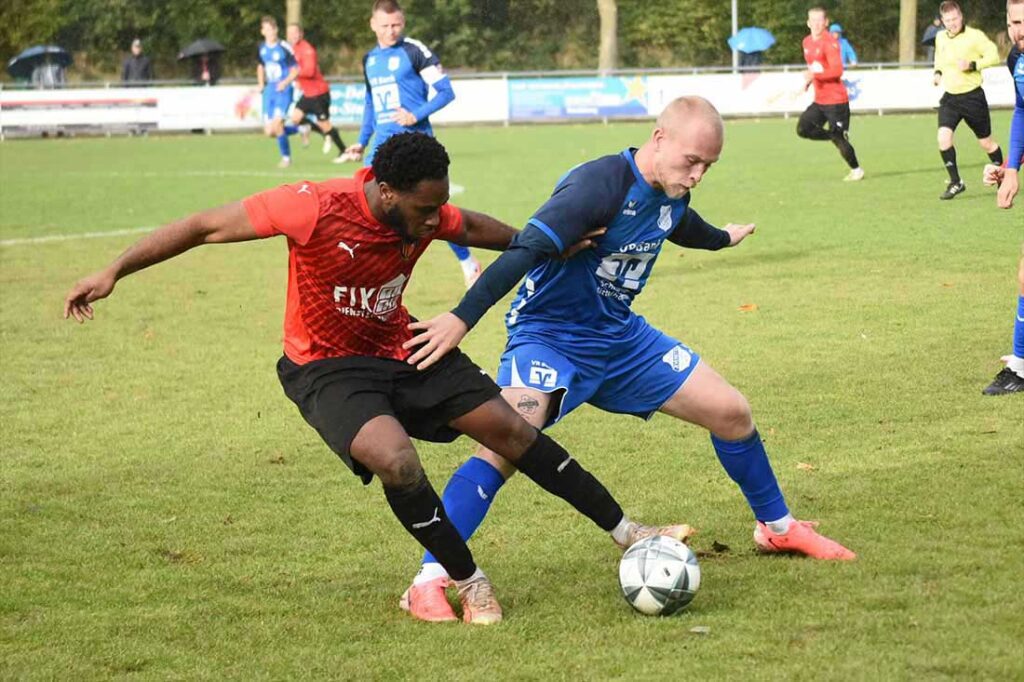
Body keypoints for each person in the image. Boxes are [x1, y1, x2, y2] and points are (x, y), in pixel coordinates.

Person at [62, 132, 689, 625]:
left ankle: (627, 532)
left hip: (401, 344)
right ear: (384, 191)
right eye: (422, 209)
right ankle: (466, 581)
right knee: (397, 461)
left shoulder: (429, 213)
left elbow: (472, 228)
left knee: (512, 428)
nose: (433, 220)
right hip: (326, 368)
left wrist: (551, 243)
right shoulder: (310, 207)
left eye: (437, 204)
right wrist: (114, 270)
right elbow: (201, 227)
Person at [397, 97, 856, 622]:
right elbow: (524, 249)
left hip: (621, 341)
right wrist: (461, 318)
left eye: (709, 166)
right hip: (549, 339)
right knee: (505, 441)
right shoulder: (596, 186)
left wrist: (724, 239)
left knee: (732, 412)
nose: (699, 175)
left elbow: (683, 225)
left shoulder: (671, 191)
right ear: (659, 139)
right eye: (692, 161)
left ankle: (777, 529)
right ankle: (429, 579)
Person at [345, 0, 482, 288]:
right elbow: (371, 103)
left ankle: (468, 262)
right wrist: (360, 141)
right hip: (381, 147)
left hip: (415, 146)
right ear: (373, 25)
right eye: (384, 26)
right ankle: (372, 272)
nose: (390, 31)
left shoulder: (414, 51)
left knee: (430, 212)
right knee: (367, 205)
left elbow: (446, 92)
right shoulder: (370, 59)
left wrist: (414, 114)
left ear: (403, 22)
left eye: (395, 25)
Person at [981, 0, 1024, 395]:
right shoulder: (1017, 59)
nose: (1019, 31)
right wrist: (1011, 167)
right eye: (1014, 23)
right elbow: (1022, 110)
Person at [932, 1, 1002, 200]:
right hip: (950, 99)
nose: (952, 23)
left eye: (955, 19)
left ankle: (1002, 176)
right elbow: (939, 58)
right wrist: (937, 73)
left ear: (961, 17)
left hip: (973, 97)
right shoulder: (940, 37)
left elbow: (994, 56)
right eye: (948, 20)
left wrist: (973, 64)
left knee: (987, 143)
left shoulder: (975, 36)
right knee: (943, 139)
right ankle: (956, 182)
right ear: (942, 21)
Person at [797, 7, 864, 182]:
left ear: (826, 22)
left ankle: (856, 170)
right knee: (803, 129)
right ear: (808, 22)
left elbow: (837, 70)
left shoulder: (830, 42)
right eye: (813, 20)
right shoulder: (807, 42)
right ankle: (834, 136)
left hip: (836, 101)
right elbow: (816, 67)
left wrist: (814, 76)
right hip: (820, 101)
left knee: (839, 139)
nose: (816, 24)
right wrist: (809, 81)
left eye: (820, 20)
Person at [284, 23, 353, 163]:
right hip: (308, 93)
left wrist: (294, 74)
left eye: (295, 33)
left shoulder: (307, 49)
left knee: (325, 124)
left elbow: (309, 71)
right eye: (290, 33)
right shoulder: (294, 49)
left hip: (318, 93)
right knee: (296, 118)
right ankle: (324, 133)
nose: (292, 36)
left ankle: (344, 151)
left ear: (301, 34)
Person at [257, 16, 300, 169]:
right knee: (269, 131)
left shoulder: (284, 47)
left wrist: (285, 82)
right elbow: (261, 66)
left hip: (283, 90)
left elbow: (296, 69)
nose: (270, 32)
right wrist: (261, 84)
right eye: (266, 30)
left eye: (272, 29)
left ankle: (286, 158)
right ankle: (300, 129)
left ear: (276, 30)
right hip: (269, 92)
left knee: (277, 125)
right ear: (263, 31)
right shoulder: (261, 48)